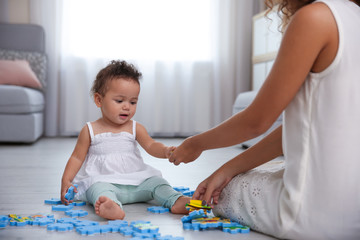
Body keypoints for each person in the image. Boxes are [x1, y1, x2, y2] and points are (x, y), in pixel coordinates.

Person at [169, 0, 360, 239]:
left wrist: (195, 144)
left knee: (229, 187)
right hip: (354, 212)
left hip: (312, 217)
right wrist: (227, 168)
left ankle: (196, 204)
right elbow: (298, 131)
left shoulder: (314, 18)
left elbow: (255, 121)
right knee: (249, 172)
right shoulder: (354, 17)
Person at [61, 60, 189, 220]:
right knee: (95, 189)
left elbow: (151, 145)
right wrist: (66, 180)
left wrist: (165, 151)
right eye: (120, 101)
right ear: (99, 100)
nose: (127, 107)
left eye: (133, 102)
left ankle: (176, 200)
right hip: (104, 180)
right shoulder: (90, 130)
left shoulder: (135, 127)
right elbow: (77, 157)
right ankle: (111, 205)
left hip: (137, 181)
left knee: (158, 182)